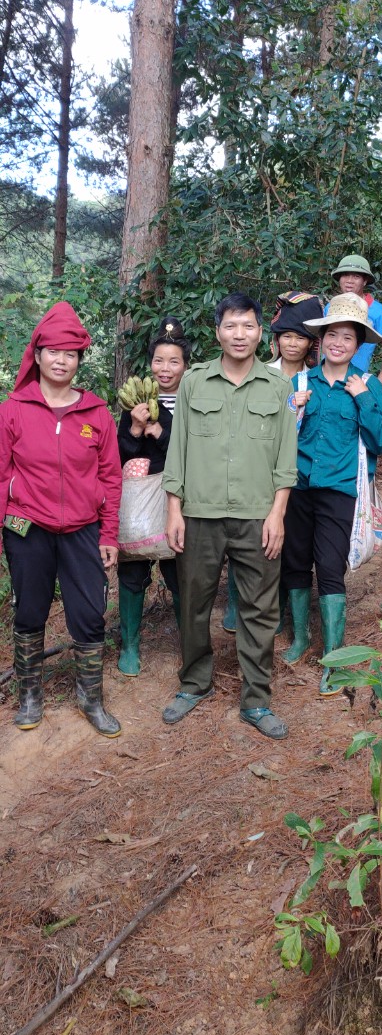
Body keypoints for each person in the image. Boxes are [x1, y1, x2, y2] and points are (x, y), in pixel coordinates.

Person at [162, 292, 298, 739]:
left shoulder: (278, 387)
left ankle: (256, 700)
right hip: (199, 513)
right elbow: (177, 450)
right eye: (230, 326)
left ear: (261, 332)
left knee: (260, 609)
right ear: (217, 331)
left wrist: (277, 514)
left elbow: (285, 458)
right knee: (193, 602)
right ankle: (194, 682)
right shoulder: (194, 382)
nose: (239, 334)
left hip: (257, 515)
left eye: (248, 326)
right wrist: (174, 509)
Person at [0, 302, 122, 736]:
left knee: (89, 614)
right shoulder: (13, 409)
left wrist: (109, 533)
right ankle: (30, 696)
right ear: (38, 354)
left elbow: (110, 478)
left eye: (70, 353)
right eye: (53, 351)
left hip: (83, 530)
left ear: (78, 360)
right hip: (27, 527)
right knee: (29, 610)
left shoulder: (96, 414)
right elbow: (1, 475)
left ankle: (91, 698)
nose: (61, 360)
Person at [281, 293, 382, 694]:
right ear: (320, 339)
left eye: (347, 337)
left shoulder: (369, 385)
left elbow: (381, 441)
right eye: (332, 335)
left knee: (329, 566)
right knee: (294, 562)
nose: (338, 343)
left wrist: (361, 397)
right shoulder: (299, 382)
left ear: (358, 345)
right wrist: (292, 409)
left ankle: (334, 656)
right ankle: (299, 639)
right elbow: (276, 441)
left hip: (340, 490)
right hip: (297, 486)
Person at [222, 291, 323, 635]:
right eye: (287, 337)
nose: (293, 345)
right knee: (246, 534)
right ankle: (237, 603)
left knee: (284, 537)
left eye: (301, 338)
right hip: (257, 467)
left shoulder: (315, 379)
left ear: (311, 344)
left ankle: (277, 607)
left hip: (295, 472)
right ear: (276, 340)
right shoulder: (261, 373)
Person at [117, 316, 191, 675]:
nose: (166, 368)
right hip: (140, 500)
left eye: (174, 361)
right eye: (159, 360)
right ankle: (130, 646)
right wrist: (133, 427)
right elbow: (118, 455)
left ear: (185, 365)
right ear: (150, 365)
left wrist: (161, 433)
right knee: (132, 568)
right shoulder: (134, 401)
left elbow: (197, 450)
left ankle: (188, 642)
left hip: (181, 497)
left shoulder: (194, 400)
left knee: (179, 569)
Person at [329, 254, 382, 383]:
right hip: (325, 379)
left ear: (365, 281)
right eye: (345, 275)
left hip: (355, 382)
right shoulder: (331, 306)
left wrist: (377, 385)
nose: (349, 280)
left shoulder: (377, 311)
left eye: (356, 276)